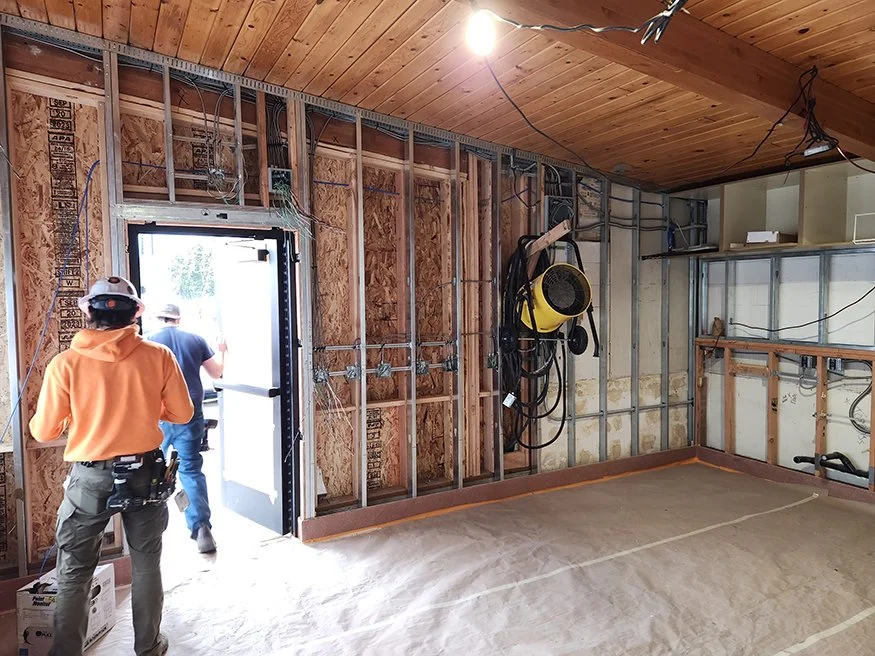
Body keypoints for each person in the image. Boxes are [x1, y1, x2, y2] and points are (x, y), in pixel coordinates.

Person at [30, 277, 193, 656]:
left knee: (74, 570)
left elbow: (43, 430)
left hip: (90, 478)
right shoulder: (158, 357)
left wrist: (82, 418)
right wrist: (146, 407)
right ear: (136, 313)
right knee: (146, 562)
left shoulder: (65, 364)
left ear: (88, 311)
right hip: (146, 476)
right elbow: (182, 413)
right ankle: (149, 647)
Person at [148, 303, 226, 553]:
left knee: (150, 471)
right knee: (190, 469)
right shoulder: (196, 340)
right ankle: (202, 529)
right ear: (178, 319)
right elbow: (217, 373)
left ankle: (147, 536)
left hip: (157, 416)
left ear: (158, 317)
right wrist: (222, 351)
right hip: (190, 415)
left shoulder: (148, 342)